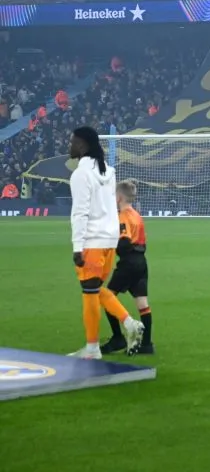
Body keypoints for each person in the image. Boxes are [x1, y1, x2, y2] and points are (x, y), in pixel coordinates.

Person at [67, 126, 145, 359]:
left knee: (89, 293)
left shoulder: (80, 175)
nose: (70, 146)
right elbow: (111, 207)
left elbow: (79, 212)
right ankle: (129, 323)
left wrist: (77, 246)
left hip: (91, 240)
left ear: (82, 146)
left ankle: (92, 348)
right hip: (108, 241)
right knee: (96, 289)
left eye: (73, 142)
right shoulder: (109, 172)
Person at [100, 180, 155, 355]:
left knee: (108, 297)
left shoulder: (123, 216)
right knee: (142, 303)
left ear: (120, 197)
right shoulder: (137, 215)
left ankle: (118, 338)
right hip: (141, 261)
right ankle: (147, 345)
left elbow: (124, 243)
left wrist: (109, 243)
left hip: (129, 262)